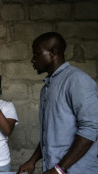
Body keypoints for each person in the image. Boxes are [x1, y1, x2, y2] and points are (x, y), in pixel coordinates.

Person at [17, 32, 98, 174]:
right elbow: (48, 135)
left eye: (36, 54)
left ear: (53, 52)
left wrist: (60, 169)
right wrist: (32, 160)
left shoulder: (77, 80)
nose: (32, 60)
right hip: (53, 168)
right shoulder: (47, 88)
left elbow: (91, 128)